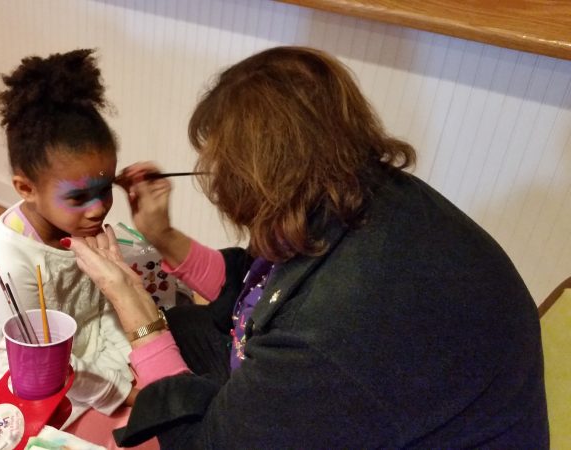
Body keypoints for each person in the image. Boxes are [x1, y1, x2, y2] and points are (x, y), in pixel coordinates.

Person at [62, 46, 550, 448]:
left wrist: (135, 310)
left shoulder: (338, 324)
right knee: (184, 323)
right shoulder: (363, 192)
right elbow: (258, 285)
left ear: (257, 178)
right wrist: (163, 237)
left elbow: (208, 444)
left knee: (164, 334)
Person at [0, 49, 149, 448]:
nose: (99, 209)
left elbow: (98, 311)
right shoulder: (9, 265)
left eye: (105, 189)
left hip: (90, 368)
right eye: (80, 197)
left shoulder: (73, 223)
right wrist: (126, 392)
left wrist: (133, 360)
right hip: (26, 398)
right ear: (26, 188)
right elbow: (48, 370)